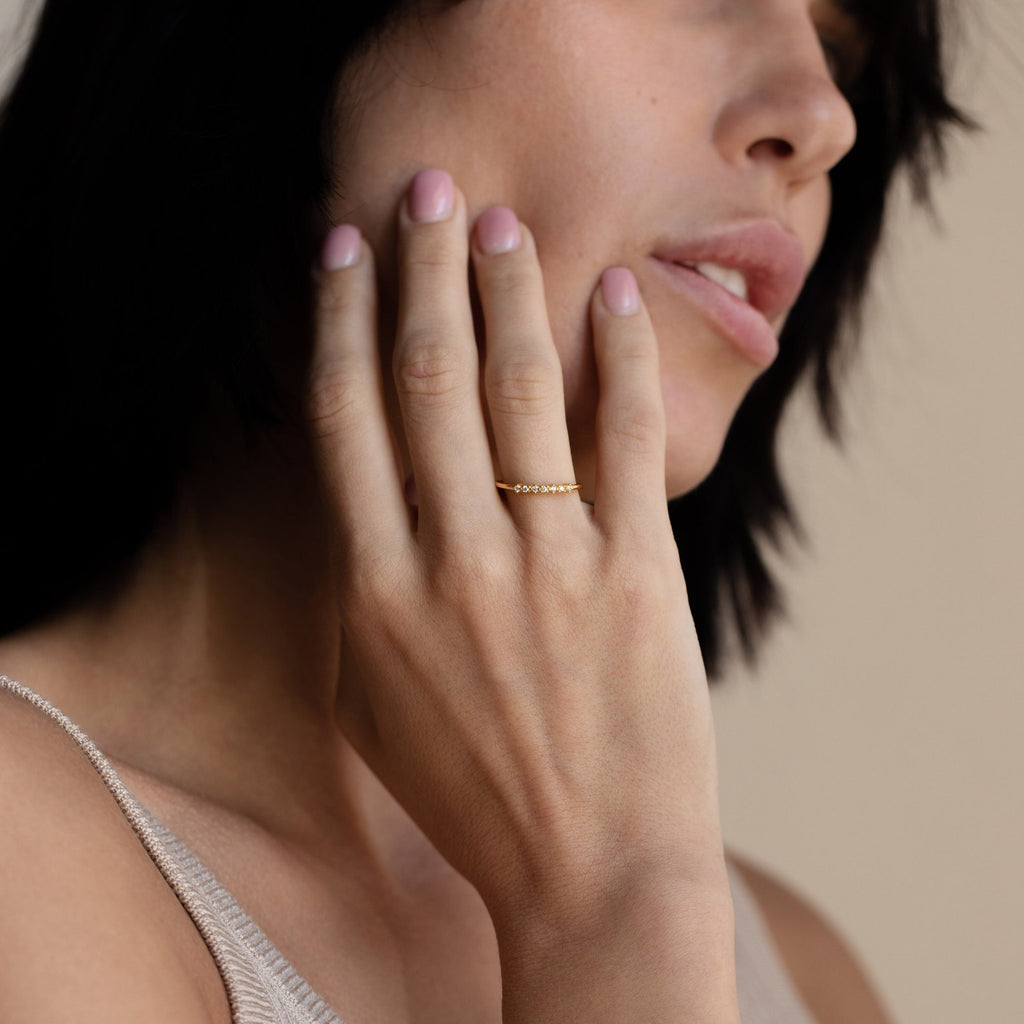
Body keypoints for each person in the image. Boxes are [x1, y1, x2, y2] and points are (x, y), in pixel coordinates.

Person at [0, 0, 965, 1021]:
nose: (823, 116)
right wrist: (603, 921)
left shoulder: (796, 970)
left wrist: (627, 896)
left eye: (841, 53)